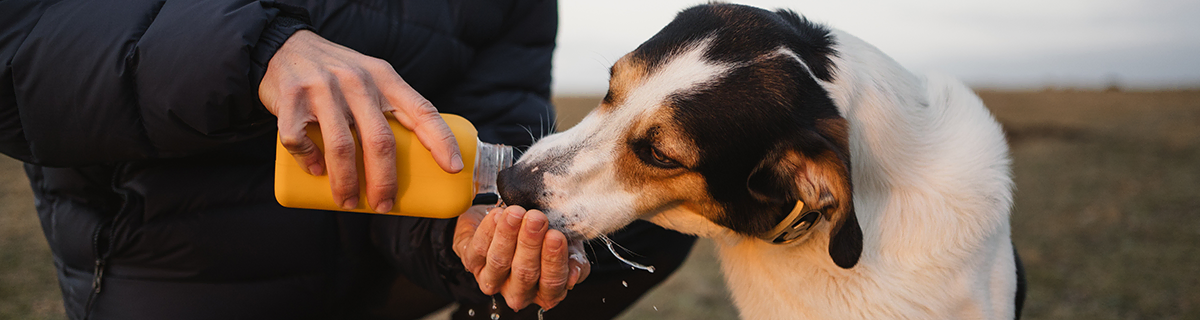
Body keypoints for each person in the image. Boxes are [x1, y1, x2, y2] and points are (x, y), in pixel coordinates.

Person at [0, 1, 696, 319]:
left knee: (648, 224)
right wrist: (256, 51)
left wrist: (471, 237)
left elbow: (472, 147)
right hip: (170, 276)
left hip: (363, 286)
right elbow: (21, 51)